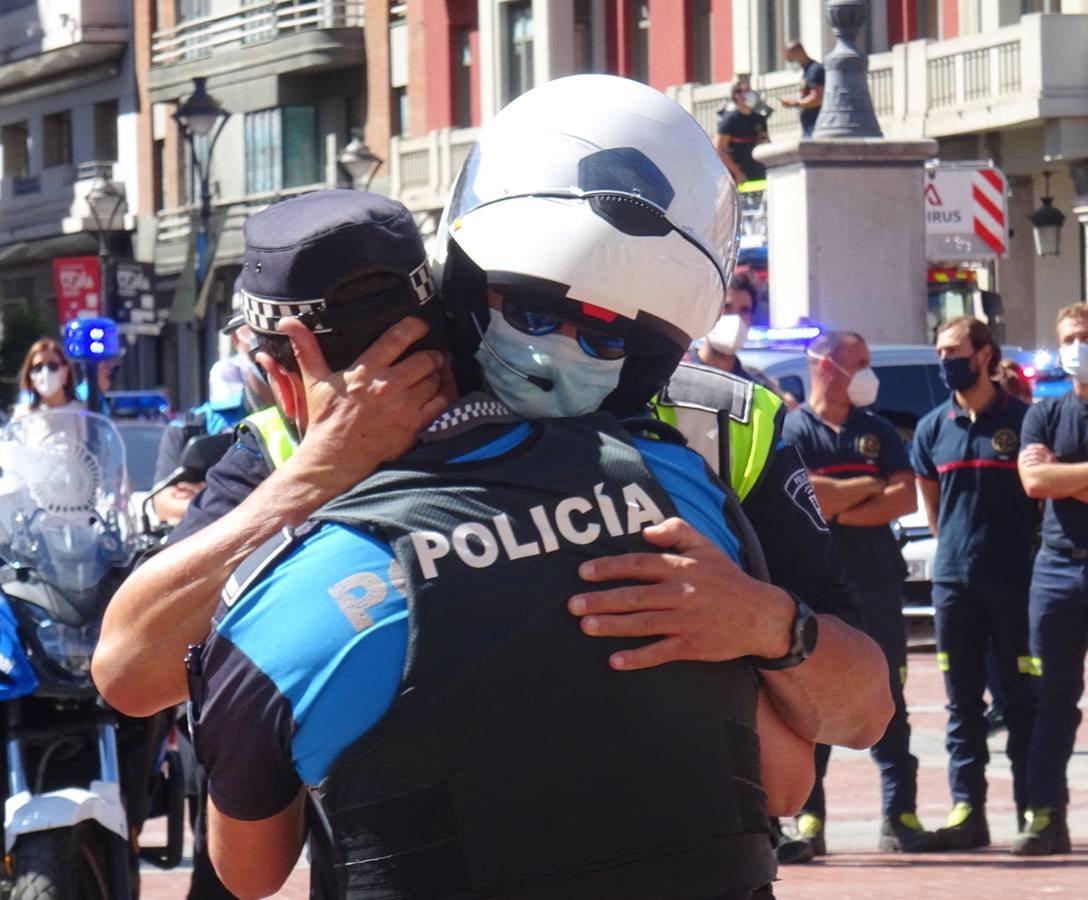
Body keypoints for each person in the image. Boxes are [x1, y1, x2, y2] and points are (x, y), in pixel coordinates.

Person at [187, 74, 884, 899]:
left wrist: (766, 623)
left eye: (604, 331)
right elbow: (134, 666)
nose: (558, 351)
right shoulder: (314, 435)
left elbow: (848, 723)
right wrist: (310, 482)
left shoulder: (720, 433)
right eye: (531, 310)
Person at [777, 330, 939, 859]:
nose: (871, 373)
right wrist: (862, 487)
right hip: (815, 591)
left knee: (888, 697)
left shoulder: (879, 431)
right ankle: (809, 822)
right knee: (812, 699)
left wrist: (838, 501)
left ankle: (900, 817)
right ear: (827, 366)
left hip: (876, 585)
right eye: (861, 362)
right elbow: (813, 498)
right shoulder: (790, 430)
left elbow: (902, 496)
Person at [910, 317, 1038, 850]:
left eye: (954, 350)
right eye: (940, 351)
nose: (945, 361)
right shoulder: (932, 427)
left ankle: (1035, 810)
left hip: (1015, 583)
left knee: (1022, 702)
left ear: (985, 355)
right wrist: (957, 551)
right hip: (954, 586)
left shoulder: (1026, 421)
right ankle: (969, 812)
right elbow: (934, 507)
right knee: (961, 706)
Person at [1015, 302, 1088, 855]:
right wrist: (1056, 478)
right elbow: (1035, 483)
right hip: (1058, 568)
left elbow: (1049, 476)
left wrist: (1063, 476)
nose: (1074, 347)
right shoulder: (1043, 413)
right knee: (1051, 699)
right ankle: (1046, 816)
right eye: (1068, 337)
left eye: (1083, 336)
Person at [151, 334, 274, 524]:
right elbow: (162, 504)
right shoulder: (191, 427)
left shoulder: (314, 416)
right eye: (250, 331)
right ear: (236, 340)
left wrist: (209, 495)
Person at [687, 271, 777, 391]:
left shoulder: (756, 391)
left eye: (744, 310)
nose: (736, 318)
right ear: (709, 312)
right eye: (727, 307)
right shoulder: (673, 375)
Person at [11, 339, 81, 419]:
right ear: (30, 375)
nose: (45, 372)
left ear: (65, 372)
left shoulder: (81, 413)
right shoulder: (22, 416)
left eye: (52, 366)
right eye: (38, 367)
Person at [716, 82, 768, 184]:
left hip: (758, 169)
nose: (751, 94)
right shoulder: (729, 121)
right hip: (738, 173)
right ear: (737, 96)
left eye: (750, 91)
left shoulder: (759, 119)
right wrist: (737, 173)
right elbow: (720, 149)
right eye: (746, 91)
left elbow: (765, 142)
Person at [781, 41, 825, 137]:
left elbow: (818, 98)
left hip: (816, 124)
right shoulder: (806, 72)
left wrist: (796, 103)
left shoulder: (815, 69)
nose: (791, 63)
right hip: (808, 125)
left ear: (798, 52)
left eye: (790, 59)